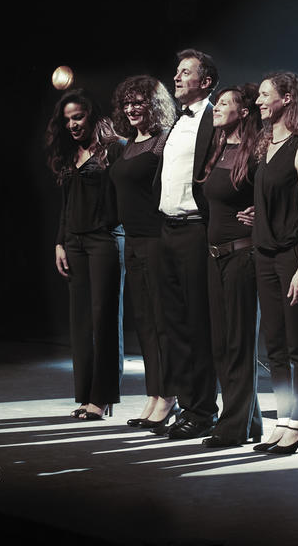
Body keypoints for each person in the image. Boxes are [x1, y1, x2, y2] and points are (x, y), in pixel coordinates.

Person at [45, 89, 124, 420]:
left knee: (104, 318)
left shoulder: (114, 149)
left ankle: (102, 397)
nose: (72, 125)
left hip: (105, 240)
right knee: (80, 321)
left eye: (78, 117)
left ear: (92, 115)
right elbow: (66, 204)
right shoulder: (69, 153)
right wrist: (60, 242)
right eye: (67, 120)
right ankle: (86, 395)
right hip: (74, 243)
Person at [252, 72, 298, 455]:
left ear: (287, 98)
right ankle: (283, 418)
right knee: (274, 345)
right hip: (263, 255)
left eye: (265, 94)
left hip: (291, 255)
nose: (259, 101)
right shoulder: (264, 146)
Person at [153, 49, 219, 440]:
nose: (176, 78)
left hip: (196, 230)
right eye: (176, 72)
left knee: (197, 325)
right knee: (174, 325)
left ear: (205, 82)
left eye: (185, 72)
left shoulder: (214, 118)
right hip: (167, 230)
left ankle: (203, 410)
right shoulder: (177, 120)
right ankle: (186, 405)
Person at [109, 75, 179, 430]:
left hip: (156, 239)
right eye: (127, 103)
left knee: (163, 322)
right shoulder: (128, 144)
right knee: (145, 324)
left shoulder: (163, 141)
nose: (131, 108)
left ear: (154, 105)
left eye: (139, 102)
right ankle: (154, 393)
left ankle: (169, 395)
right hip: (132, 240)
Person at [197, 84, 263, 448]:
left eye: (225, 103)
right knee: (222, 344)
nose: (217, 108)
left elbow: (279, 194)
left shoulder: (256, 152)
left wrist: (262, 214)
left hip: (242, 257)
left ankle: (233, 425)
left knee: (238, 344)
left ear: (244, 112)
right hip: (215, 257)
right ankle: (250, 421)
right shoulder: (220, 148)